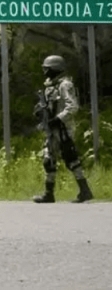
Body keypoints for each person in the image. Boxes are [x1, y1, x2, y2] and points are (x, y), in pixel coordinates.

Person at [32, 55, 93, 204]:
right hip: (53, 129)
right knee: (48, 160)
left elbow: (72, 107)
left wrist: (58, 119)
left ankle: (85, 190)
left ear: (55, 69)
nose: (45, 72)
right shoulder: (50, 86)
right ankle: (49, 194)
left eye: (47, 69)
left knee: (70, 158)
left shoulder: (65, 85)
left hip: (64, 128)